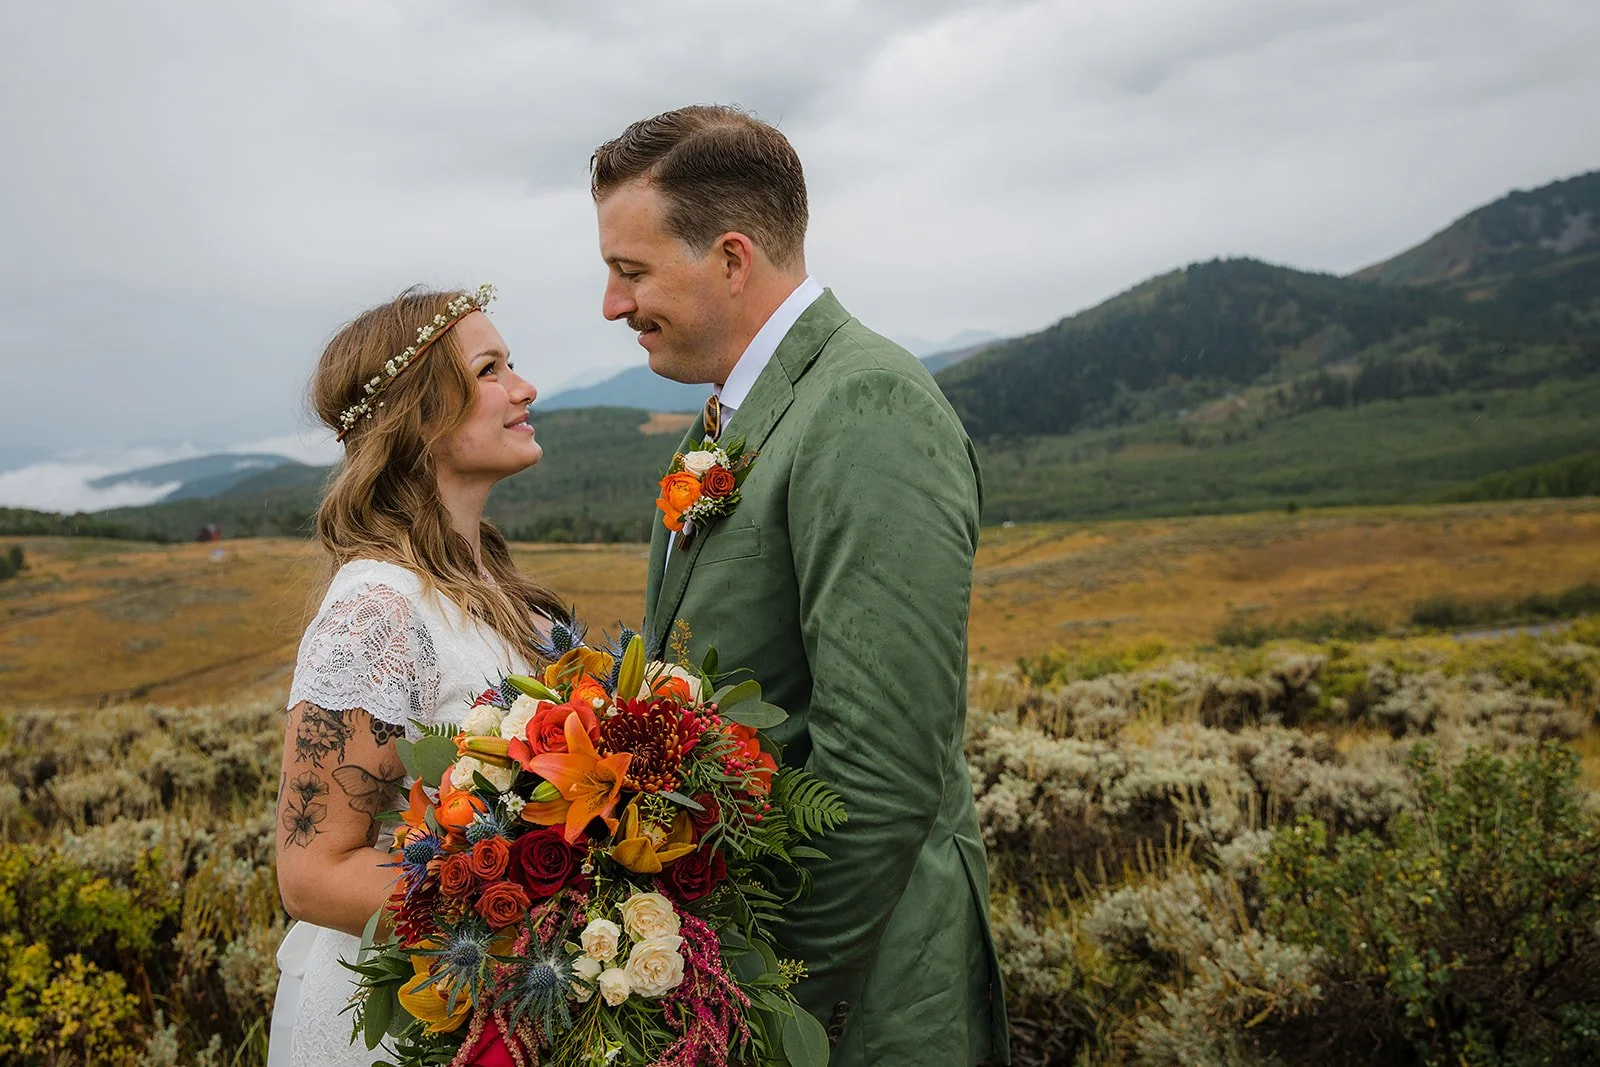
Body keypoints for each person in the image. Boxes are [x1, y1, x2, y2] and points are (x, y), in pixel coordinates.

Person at [592, 106, 1010, 1066]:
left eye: (631, 272)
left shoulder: (868, 405)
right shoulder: (733, 416)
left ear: (732, 258)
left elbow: (881, 769)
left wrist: (752, 1006)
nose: (613, 307)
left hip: (862, 1005)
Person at [268, 286, 565, 1067]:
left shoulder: (506, 597)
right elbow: (312, 873)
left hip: (511, 999)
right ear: (423, 414)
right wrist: (536, 900)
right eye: (491, 368)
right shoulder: (376, 611)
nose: (524, 387)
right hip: (404, 1017)